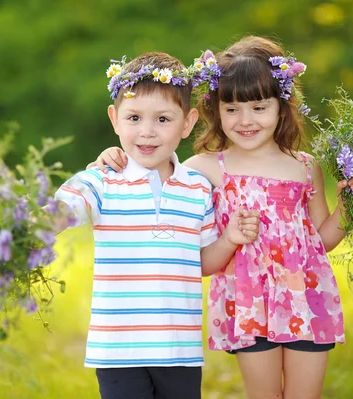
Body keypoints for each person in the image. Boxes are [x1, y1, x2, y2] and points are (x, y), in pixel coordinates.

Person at [89, 36, 353, 399]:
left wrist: (348, 206)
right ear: (215, 110)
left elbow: (321, 241)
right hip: (248, 302)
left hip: (308, 296)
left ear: (281, 107)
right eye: (232, 109)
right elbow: (148, 164)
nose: (245, 120)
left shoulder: (304, 167)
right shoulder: (206, 167)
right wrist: (111, 157)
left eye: (258, 107)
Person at [52, 51, 260, 399]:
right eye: (134, 117)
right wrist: (26, 228)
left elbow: (204, 263)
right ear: (115, 119)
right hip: (118, 351)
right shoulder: (102, 180)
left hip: (179, 350)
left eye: (163, 119)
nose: (147, 132)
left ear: (188, 122)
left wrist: (229, 239)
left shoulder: (197, 188)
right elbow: (63, 208)